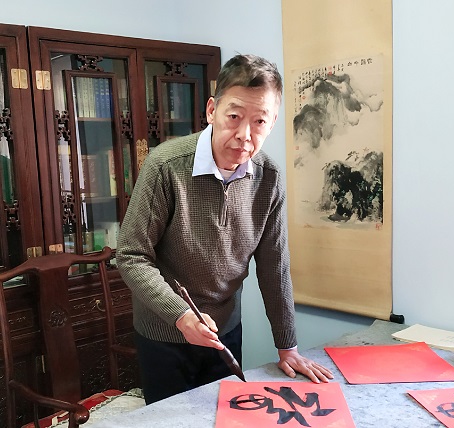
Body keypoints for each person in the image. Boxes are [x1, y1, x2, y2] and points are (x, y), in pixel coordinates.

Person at [116, 53, 333, 404]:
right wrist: (180, 315)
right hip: (164, 332)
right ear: (211, 110)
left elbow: (274, 267)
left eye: (259, 121)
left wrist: (287, 346)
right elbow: (131, 255)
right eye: (234, 117)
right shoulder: (166, 166)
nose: (244, 135)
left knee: (226, 415)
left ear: (272, 123)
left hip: (225, 331)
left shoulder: (269, 178)